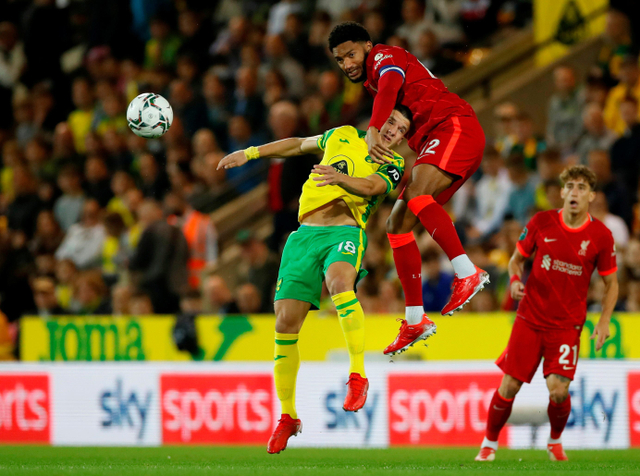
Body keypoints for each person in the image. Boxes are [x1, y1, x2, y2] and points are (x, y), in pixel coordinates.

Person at [218, 107, 410, 454]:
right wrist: (249, 153)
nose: (393, 131)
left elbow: (370, 187)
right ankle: (288, 416)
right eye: (392, 122)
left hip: (344, 231)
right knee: (284, 323)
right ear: (378, 119)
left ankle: (357, 376)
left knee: (339, 283)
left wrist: (339, 180)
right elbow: (297, 145)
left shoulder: (394, 163)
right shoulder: (341, 135)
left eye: (401, 130)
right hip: (303, 236)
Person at [328, 22, 488, 356]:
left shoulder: (386, 57)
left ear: (368, 46)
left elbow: (389, 86)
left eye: (351, 54)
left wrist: (373, 129)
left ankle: (467, 272)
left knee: (416, 195)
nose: (347, 64)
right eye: (340, 60)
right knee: (396, 224)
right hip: (437, 138)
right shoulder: (374, 79)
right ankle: (414, 319)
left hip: (454, 126)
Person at [475, 165, 618, 462]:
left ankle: (554, 441)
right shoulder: (542, 222)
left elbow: (611, 283)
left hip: (566, 326)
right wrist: (515, 281)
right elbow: (516, 261)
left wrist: (604, 321)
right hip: (530, 319)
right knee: (509, 385)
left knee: (558, 392)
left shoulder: (601, 236)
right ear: (562, 192)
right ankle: (488, 444)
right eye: (571, 186)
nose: (575, 192)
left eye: (582, 187)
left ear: (591, 196)